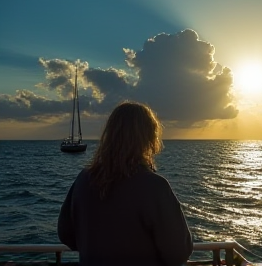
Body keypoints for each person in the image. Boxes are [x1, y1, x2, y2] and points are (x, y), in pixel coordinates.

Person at [58, 101, 193, 266]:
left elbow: (66, 234)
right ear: (149, 138)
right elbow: (178, 252)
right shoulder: (154, 187)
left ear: (109, 135)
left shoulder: (84, 179)